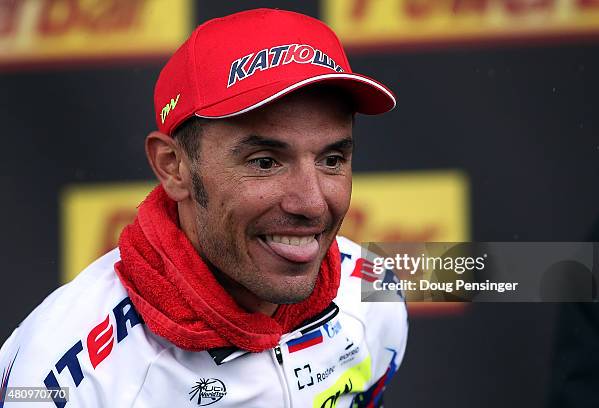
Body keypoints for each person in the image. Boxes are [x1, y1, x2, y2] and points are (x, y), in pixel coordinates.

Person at [0, 8, 407, 407]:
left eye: (331, 160)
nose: (312, 203)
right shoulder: (64, 376)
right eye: (264, 162)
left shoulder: (374, 286)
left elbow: (467, 275)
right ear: (173, 167)